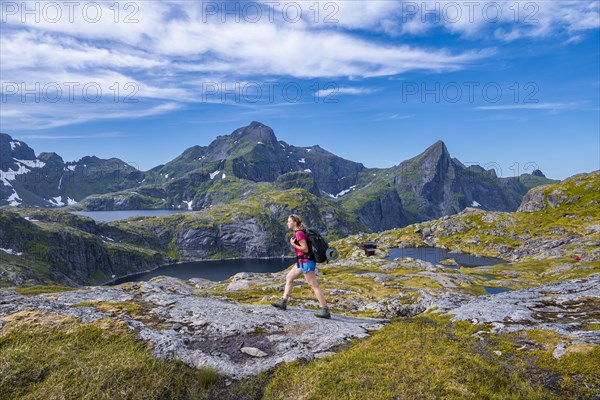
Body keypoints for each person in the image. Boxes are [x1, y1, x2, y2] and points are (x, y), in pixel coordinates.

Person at [271, 214, 331, 319]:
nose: (287, 223)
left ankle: (325, 309)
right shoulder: (299, 232)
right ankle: (283, 302)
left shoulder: (299, 233)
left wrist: (293, 244)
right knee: (289, 278)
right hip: (301, 261)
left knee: (314, 285)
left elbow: (305, 249)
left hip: (306, 261)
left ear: (295, 222)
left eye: (289, 221)